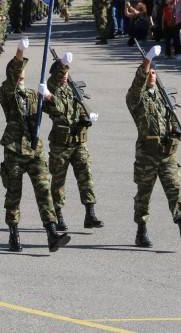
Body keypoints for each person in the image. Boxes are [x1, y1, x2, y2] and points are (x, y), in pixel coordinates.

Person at [0, 38, 70, 253]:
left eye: (22, 73)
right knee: (13, 195)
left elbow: (58, 112)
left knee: (44, 191)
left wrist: (48, 97)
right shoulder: (6, 93)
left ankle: (51, 233)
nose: (21, 75)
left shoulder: (31, 95)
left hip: (35, 151)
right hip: (14, 150)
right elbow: (12, 76)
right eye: (18, 73)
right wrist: (20, 51)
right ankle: (13, 233)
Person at [125, 45, 181, 248]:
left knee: (174, 190)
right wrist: (147, 62)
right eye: (148, 73)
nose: (151, 75)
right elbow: (136, 85)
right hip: (147, 155)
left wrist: (180, 129)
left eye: (153, 72)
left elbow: (171, 121)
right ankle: (141, 231)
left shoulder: (164, 98)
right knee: (144, 195)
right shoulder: (136, 100)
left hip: (167, 153)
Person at [42, 53, 102, 232]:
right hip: (61, 143)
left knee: (86, 176)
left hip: (79, 142)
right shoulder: (51, 89)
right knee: (58, 181)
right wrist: (63, 64)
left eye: (67, 73)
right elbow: (58, 106)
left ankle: (90, 213)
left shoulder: (71, 89)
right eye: (62, 73)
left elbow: (77, 109)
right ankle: (58, 215)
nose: (66, 75)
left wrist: (86, 117)